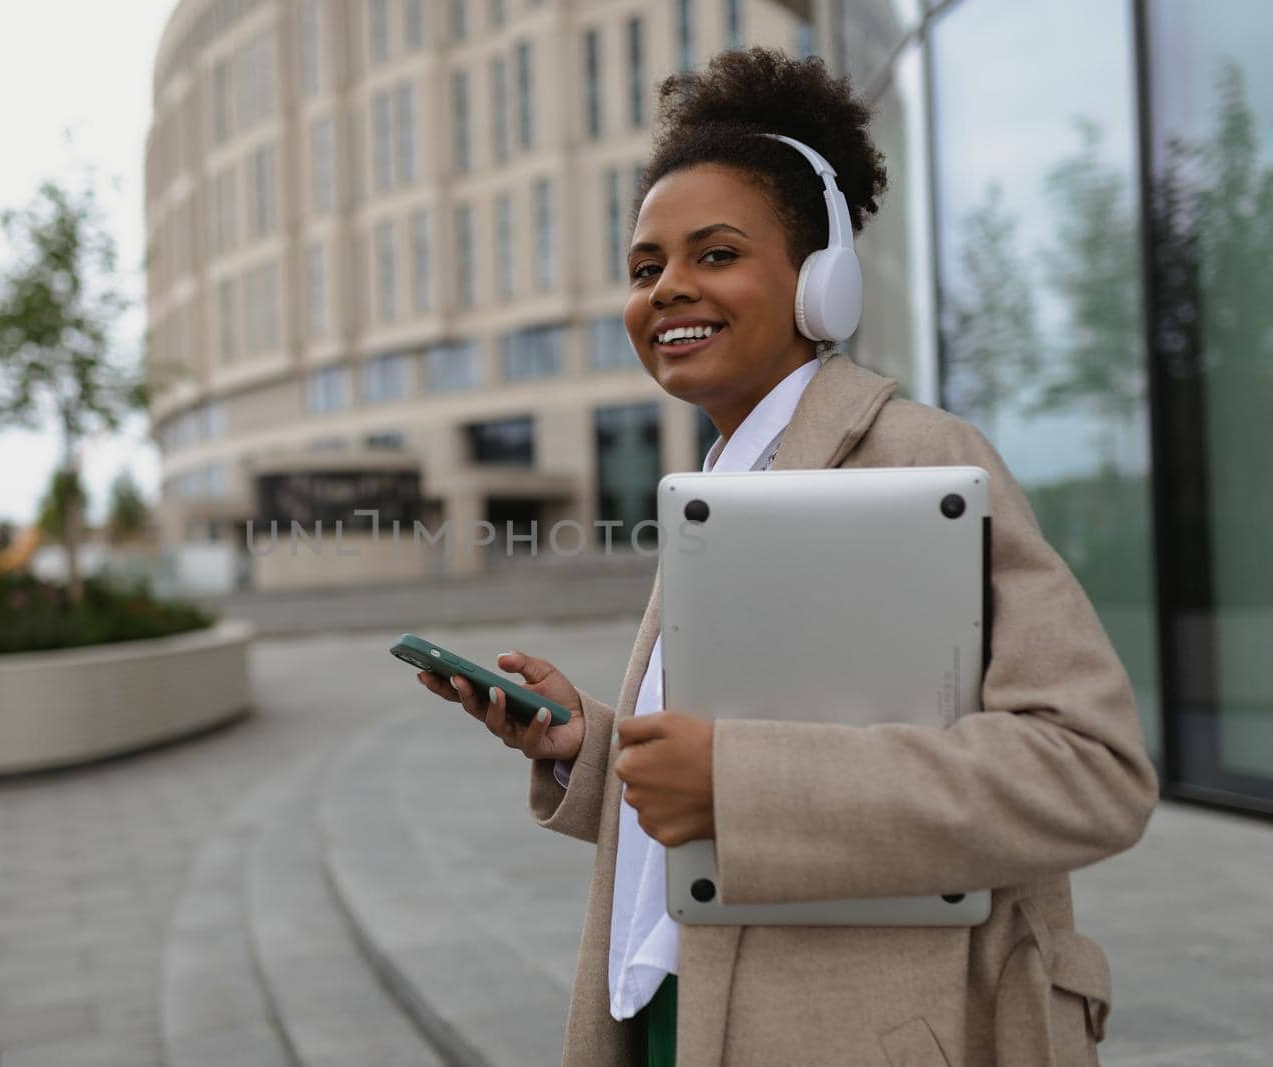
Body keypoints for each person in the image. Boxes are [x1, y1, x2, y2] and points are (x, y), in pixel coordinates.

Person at [416, 47, 1157, 1067]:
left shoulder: (919, 456)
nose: (667, 288)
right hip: (683, 1014)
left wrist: (729, 778)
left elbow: (1090, 773)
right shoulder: (728, 480)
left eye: (713, 254)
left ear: (823, 283)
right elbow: (748, 759)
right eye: (644, 269)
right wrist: (588, 745)